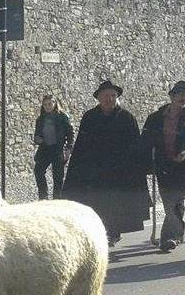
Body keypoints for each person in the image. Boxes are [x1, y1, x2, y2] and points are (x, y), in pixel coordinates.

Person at [62, 80, 151, 247]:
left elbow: (135, 145)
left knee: (116, 205)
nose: (110, 99)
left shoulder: (126, 118)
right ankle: (101, 232)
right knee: (97, 203)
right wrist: (77, 168)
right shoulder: (89, 117)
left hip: (119, 171)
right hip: (96, 171)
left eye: (113, 96)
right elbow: (81, 144)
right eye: (106, 96)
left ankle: (112, 233)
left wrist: (138, 167)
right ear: (99, 98)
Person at [138, 81, 185, 252]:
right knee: (171, 203)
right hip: (165, 167)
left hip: (183, 166)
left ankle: (172, 236)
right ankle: (172, 236)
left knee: (178, 201)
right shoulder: (155, 118)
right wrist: (145, 163)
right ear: (171, 96)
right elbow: (145, 141)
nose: (183, 97)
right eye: (180, 94)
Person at [33, 95, 74, 200]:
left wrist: (68, 148)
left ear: (55, 104)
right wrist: (37, 139)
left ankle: (57, 199)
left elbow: (70, 134)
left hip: (58, 149)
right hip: (45, 149)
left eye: (50, 104)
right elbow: (37, 134)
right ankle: (43, 196)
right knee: (38, 170)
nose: (47, 106)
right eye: (45, 104)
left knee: (58, 176)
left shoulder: (63, 117)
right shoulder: (41, 119)